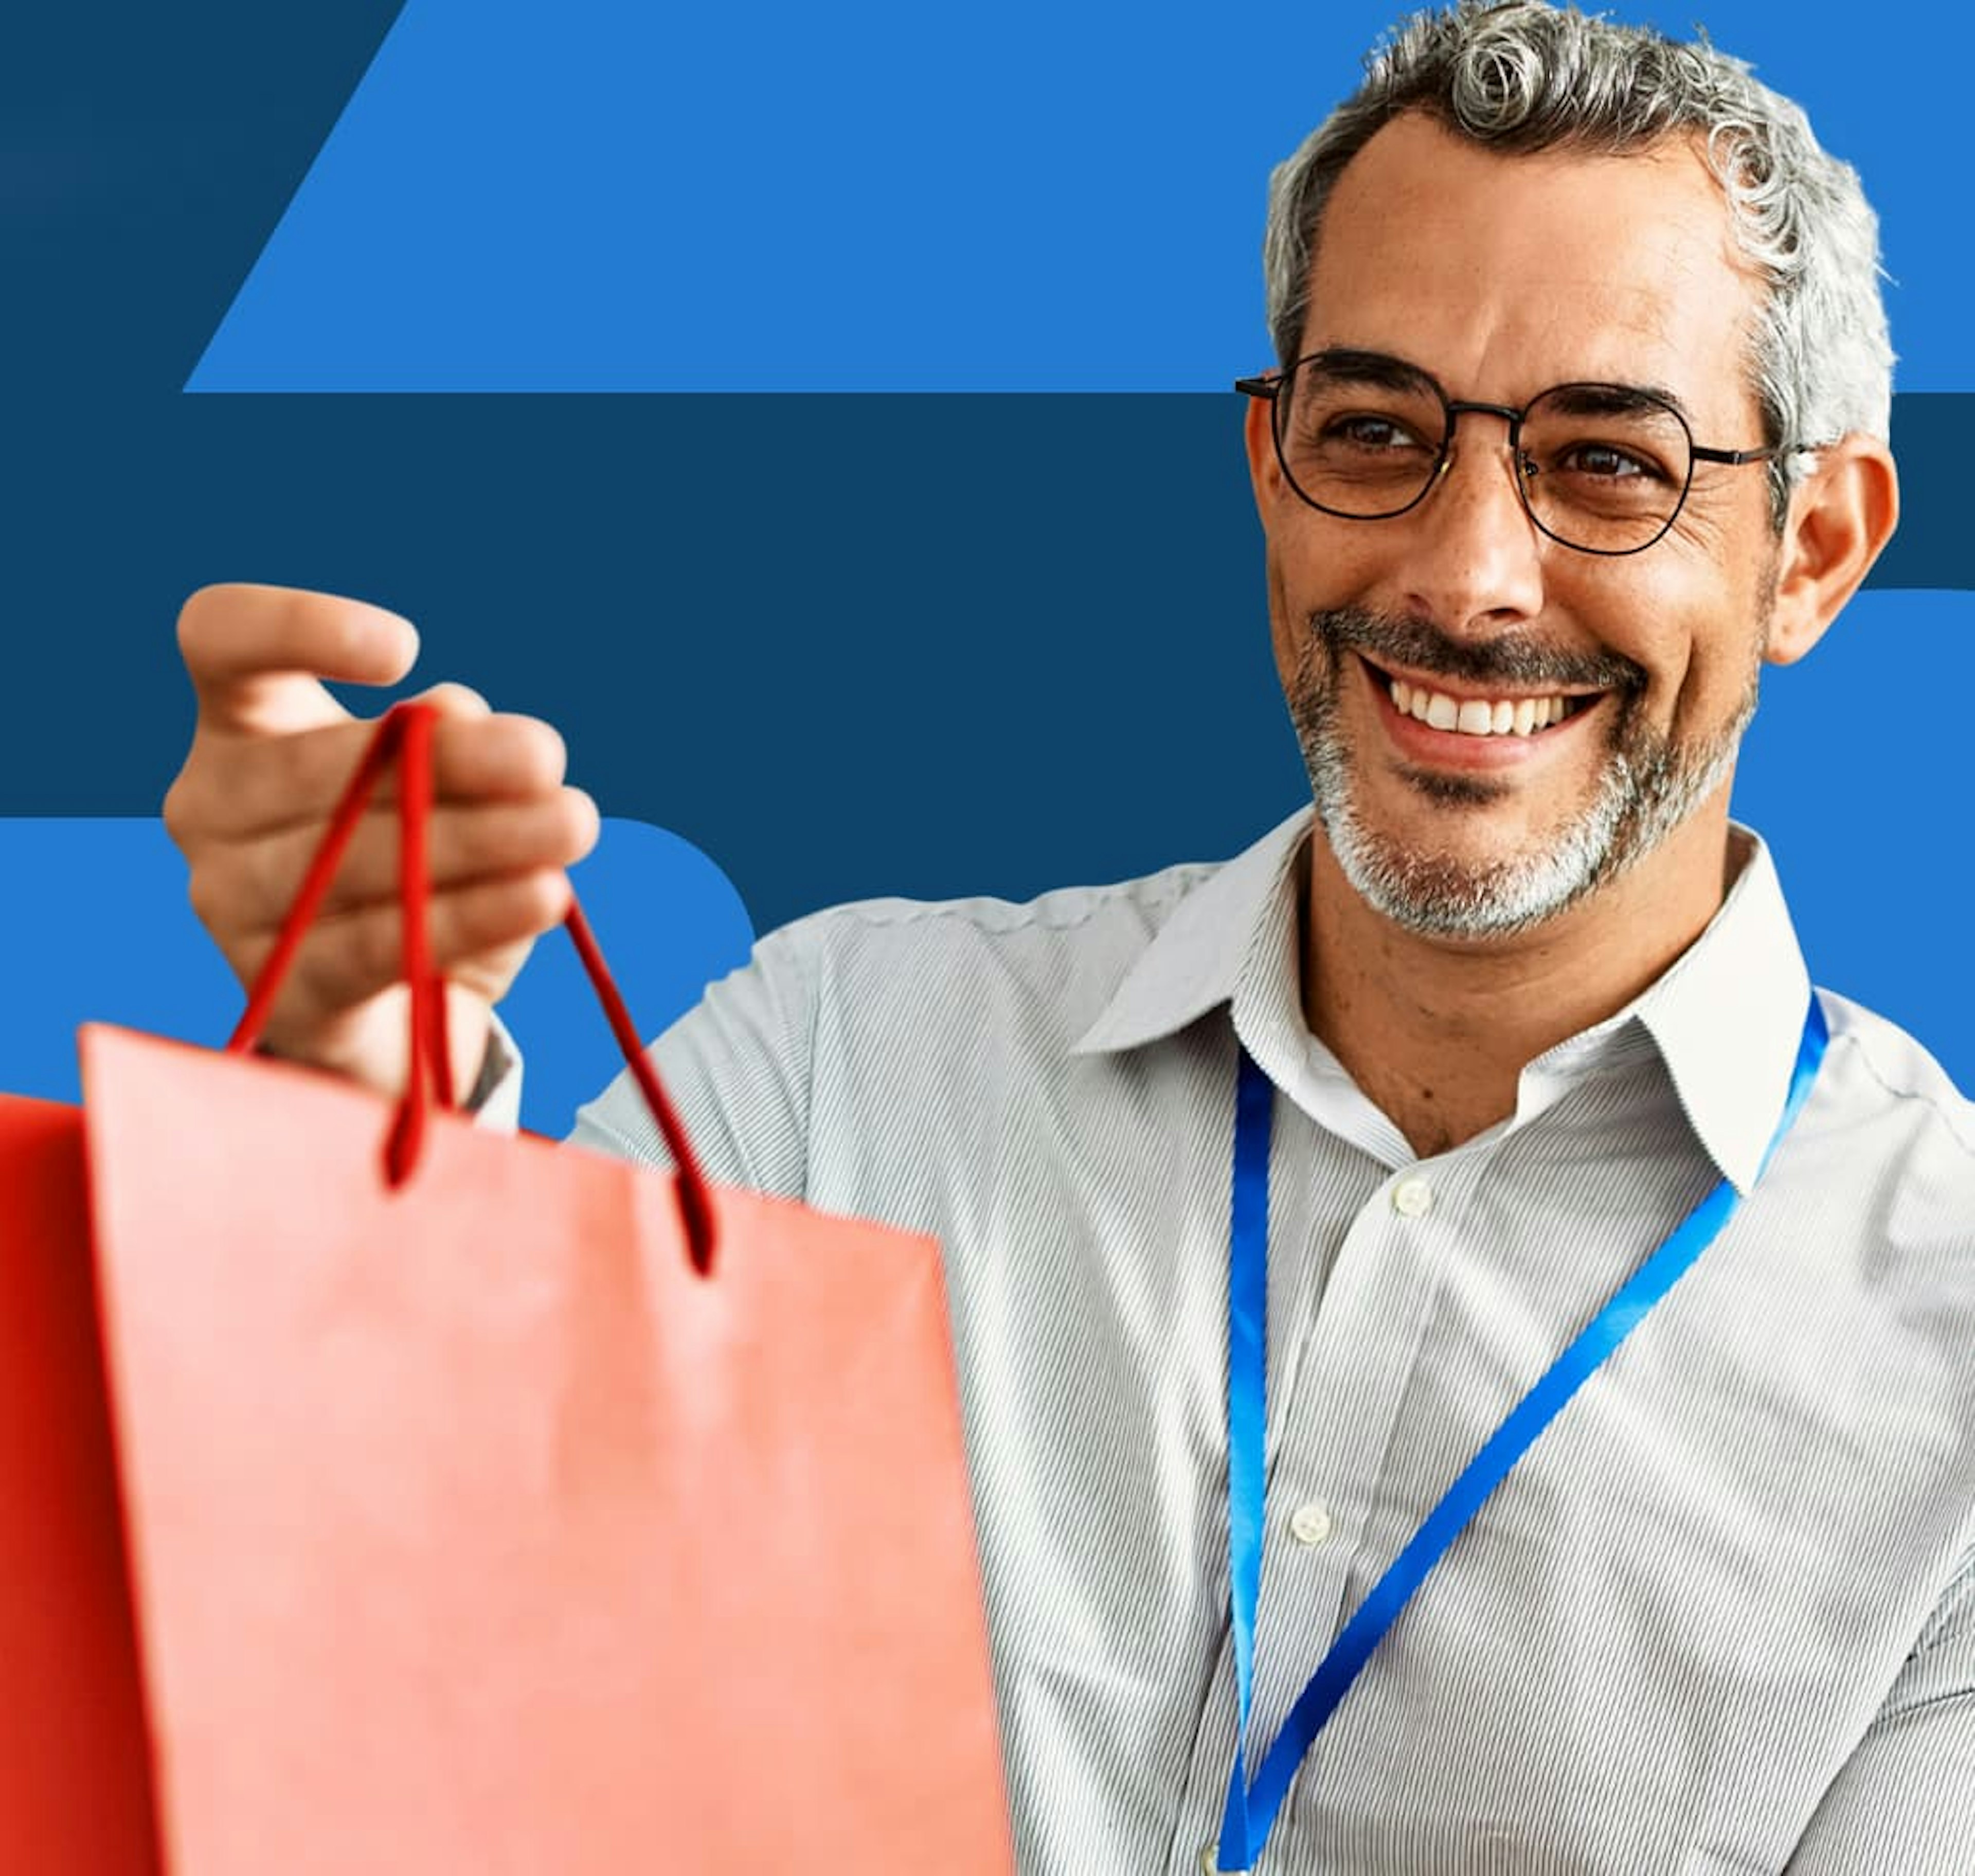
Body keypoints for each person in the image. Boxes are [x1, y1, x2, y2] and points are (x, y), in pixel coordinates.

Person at [163, 2, 1971, 1869]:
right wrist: (345, 1071)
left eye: (1608, 462)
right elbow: (391, 1648)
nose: (1464, 574)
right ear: (1271, 468)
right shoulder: (839, 1072)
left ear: (1815, 550)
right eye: (1378, 432)